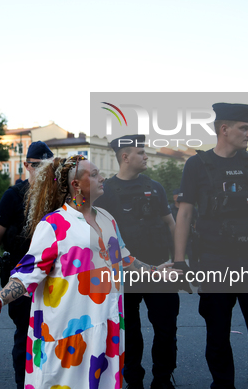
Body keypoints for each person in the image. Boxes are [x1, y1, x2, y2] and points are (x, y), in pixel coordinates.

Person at [0, 155, 181, 389]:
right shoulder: (53, 224)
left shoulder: (107, 220)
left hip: (106, 325)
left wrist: (155, 271)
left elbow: (125, 260)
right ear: (76, 185)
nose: (102, 178)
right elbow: (27, 272)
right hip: (69, 332)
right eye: (93, 175)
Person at [174, 103, 248, 389]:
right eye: (244, 128)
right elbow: (185, 213)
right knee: (218, 336)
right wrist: (179, 261)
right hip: (214, 262)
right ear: (224, 130)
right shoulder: (197, 165)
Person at [94, 135, 180, 389]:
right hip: (125, 273)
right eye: (141, 152)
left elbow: (171, 224)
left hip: (159, 269)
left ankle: (163, 380)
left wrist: (178, 260)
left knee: (166, 329)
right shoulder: (105, 192)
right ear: (125, 157)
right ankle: (134, 380)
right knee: (129, 332)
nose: (146, 156)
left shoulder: (155, 187)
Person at [0, 140, 53, 389]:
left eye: (48, 166)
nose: (43, 171)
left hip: (51, 279)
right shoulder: (14, 195)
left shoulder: (56, 195)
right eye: (37, 165)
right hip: (20, 278)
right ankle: (23, 383)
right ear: (27, 165)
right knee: (25, 335)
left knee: (51, 336)